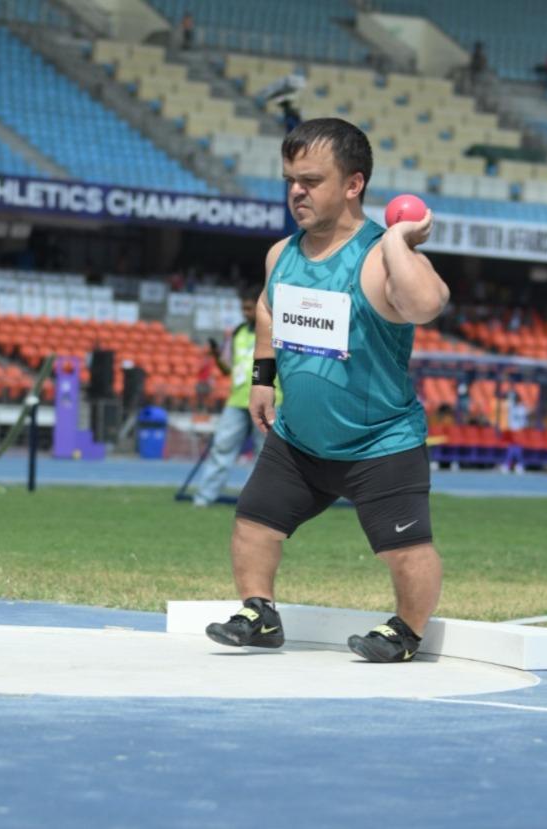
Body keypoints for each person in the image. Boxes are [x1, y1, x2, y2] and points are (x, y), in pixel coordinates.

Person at [204, 118, 449, 663]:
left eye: (311, 180)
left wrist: (397, 240)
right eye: (291, 180)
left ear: (353, 184)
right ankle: (259, 613)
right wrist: (262, 379)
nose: (296, 192)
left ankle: (406, 632)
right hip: (299, 440)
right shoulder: (281, 254)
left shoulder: (380, 256)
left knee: (405, 549)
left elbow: (426, 305)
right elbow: (267, 307)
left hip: (379, 442)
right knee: (254, 525)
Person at [192, 284, 281, 507]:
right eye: (243, 308)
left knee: (264, 454)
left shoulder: (278, 330)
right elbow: (228, 369)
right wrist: (216, 356)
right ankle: (204, 498)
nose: (245, 312)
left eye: (250, 308)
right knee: (221, 447)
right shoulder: (238, 332)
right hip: (237, 400)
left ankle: (256, 503)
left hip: (268, 402)